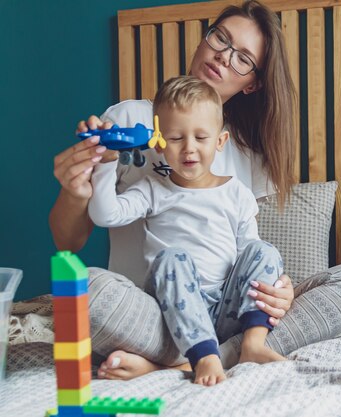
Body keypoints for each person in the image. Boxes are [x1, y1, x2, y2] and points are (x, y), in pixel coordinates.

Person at [50, 0, 341, 380]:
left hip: (229, 314)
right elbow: (69, 242)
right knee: (80, 287)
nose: (223, 57)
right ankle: (199, 355)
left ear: (253, 82)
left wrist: (280, 292)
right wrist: (78, 190)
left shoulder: (249, 161)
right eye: (220, 39)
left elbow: (252, 253)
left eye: (242, 58)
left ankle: (184, 361)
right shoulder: (128, 121)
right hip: (151, 315)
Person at [88, 75, 286, 386]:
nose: (189, 149)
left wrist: (278, 286)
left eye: (201, 138)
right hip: (170, 313)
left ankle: (252, 345)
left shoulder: (237, 194)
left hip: (225, 309)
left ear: (219, 142)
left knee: (264, 250)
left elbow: (252, 260)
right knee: (171, 258)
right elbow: (105, 214)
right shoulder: (153, 189)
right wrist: (105, 162)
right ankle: (203, 357)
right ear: (159, 143)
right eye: (176, 138)